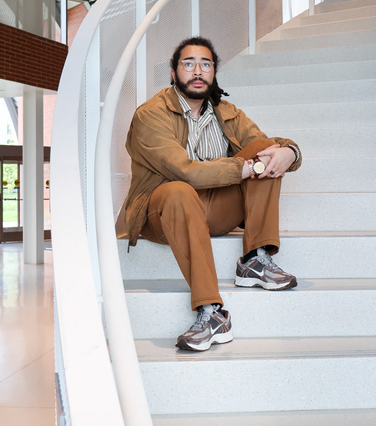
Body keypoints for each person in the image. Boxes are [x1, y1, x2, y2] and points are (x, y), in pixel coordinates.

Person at [118, 36, 302, 352]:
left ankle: (255, 259)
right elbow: (184, 171)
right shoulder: (150, 114)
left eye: (206, 64)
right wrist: (245, 169)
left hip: (212, 210)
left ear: (214, 73)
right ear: (174, 74)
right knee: (179, 190)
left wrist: (290, 152)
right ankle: (210, 312)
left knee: (264, 150)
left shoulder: (225, 111)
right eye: (188, 64)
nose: (198, 70)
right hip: (163, 212)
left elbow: (264, 145)